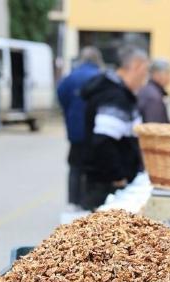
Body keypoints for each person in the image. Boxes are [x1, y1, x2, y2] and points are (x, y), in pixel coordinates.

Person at [80, 46, 149, 210]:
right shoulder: (115, 96)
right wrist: (118, 176)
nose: (145, 78)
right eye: (145, 71)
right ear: (136, 67)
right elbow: (103, 140)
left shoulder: (119, 92)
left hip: (107, 180)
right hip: (106, 184)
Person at [57, 47, 102, 208]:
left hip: (75, 130)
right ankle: (88, 201)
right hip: (94, 131)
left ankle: (74, 200)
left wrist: (70, 112)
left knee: (75, 165)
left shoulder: (71, 76)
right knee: (91, 167)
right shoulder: (99, 77)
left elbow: (61, 94)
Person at [137, 59, 170, 123]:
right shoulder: (153, 96)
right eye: (167, 73)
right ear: (157, 74)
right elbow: (154, 127)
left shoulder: (151, 90)